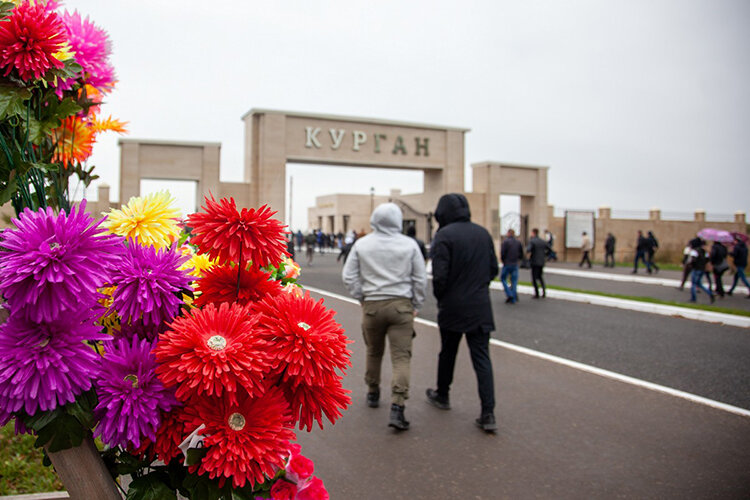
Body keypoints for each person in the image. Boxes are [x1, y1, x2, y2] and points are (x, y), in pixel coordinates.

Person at [342, 203, 427, 431]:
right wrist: (416, 304)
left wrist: (362, 296)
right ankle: (398, 406)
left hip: (372, 304)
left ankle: (372, 391)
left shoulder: (362, 244)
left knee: (373, 350)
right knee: (401, 357)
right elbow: (420, 279)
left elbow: (348, 276)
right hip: (401, 306)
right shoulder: (409, 245)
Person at [425, 193, 499, 433]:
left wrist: (443, 297)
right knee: (482, 358)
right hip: (480, 306)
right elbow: (493, 269)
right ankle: (488, 412)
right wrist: (477, 287)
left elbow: (439, 276)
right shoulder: (482, 233)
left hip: (453, 306)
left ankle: (443, 394)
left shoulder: (444, 236)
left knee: (448, 352)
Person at [500, 229, 524, 304]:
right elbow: (521, 253)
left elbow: (502, 253)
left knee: (503, 278)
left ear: (508, 233)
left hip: (507, 263)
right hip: (515, 263)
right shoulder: (518, 242)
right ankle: (513, 298)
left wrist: (503, 261)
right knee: (514, 281)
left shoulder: (505, 242)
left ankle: (509, 293)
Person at [527, 228, 547, 298]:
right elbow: (550, 249)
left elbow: (528, 249)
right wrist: (545, 255)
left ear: (533, 233)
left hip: (534, 262)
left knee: (534, 278)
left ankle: (537, 293)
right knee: (540, 276)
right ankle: (544, 291)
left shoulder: (532, 241)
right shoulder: (542, 241)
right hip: (541, 262)